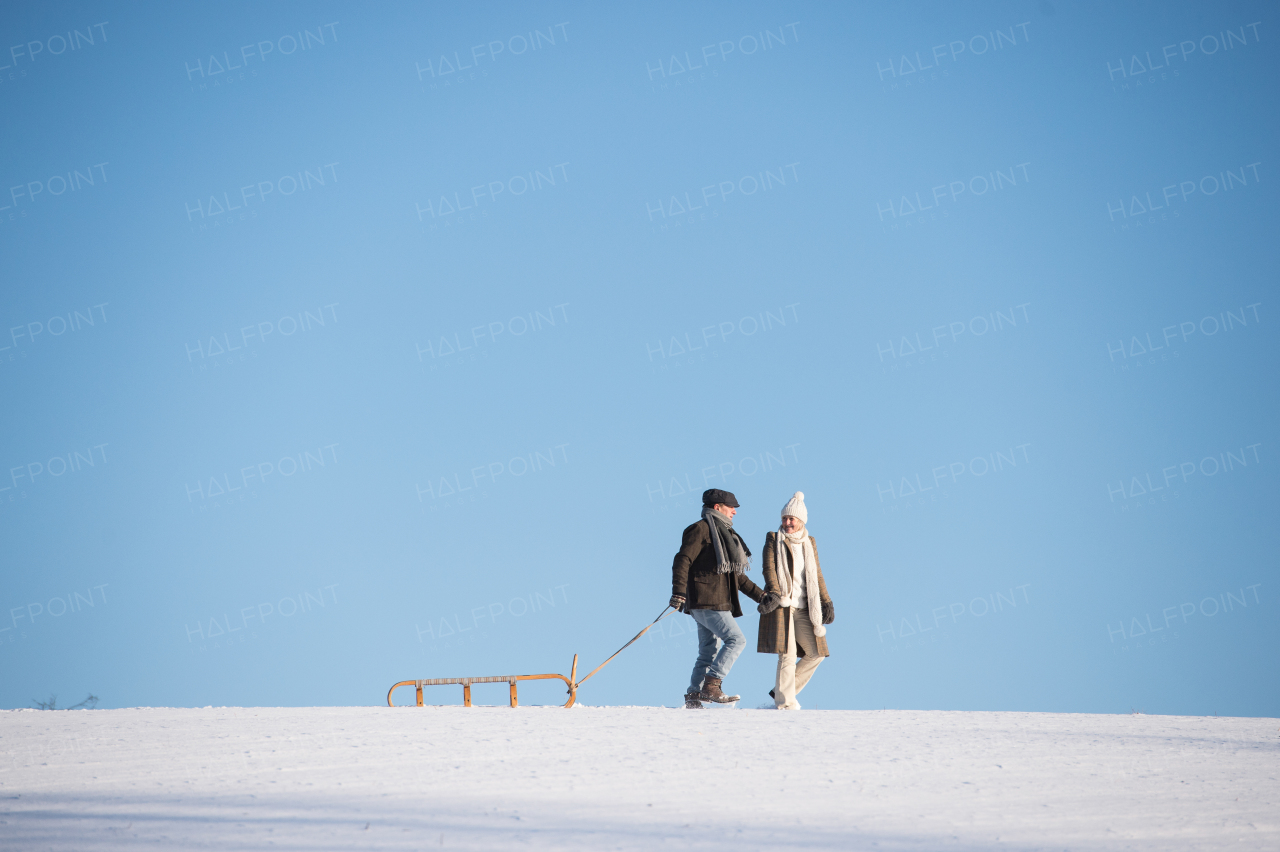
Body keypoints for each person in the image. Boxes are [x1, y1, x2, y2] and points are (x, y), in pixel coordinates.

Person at [669, 489, 769, 709]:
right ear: (717, 507)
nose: (734, 511)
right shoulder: (701, 529)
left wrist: (761, 596)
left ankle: (694, 696)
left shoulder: (725, 535)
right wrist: (678, 592)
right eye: (730, 506)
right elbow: (682, 560)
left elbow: (737, 577)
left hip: (712, 601)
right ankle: (712, 685)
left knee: (708, 651)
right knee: (736, 640)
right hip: (707, 599)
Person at [756, 491, 834, 709]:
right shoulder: (773, 539)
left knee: (817, 653)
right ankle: (785, 704)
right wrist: (775, 592)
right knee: (787, 655)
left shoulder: (809, 543)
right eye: (784, 518)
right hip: (783, 605)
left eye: (791, 519)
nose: (787, 522)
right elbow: (769, 568)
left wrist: (826, 601)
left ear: (801, 521)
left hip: (805, 608)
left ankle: (783, 691)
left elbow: (817, 574)